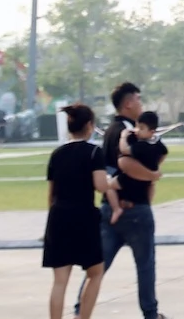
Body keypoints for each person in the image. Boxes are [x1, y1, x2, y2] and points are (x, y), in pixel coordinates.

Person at [86, 81, 165, 319]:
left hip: (110, 208)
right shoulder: (129, 133)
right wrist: (153, 175)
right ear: (129, 103)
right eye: (138, 99)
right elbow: (126, 165)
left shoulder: (111, 130)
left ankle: (81, 310)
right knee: (145, 266)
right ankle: (150, 314)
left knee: (98, 267)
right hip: (135, 209)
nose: (141, 103)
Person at [44, 103, 111, 319]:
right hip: (83, 217)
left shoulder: (57, 154)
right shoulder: (94, 152)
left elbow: (51, 194)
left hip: (58, 217)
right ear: (90, 126)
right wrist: (112, 182)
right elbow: (101, 185)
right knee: (95, 272)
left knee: (60, 281)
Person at [110, 112, 167, 225]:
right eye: (137, 127)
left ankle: (116, 209)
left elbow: (124, 150)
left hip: (131, 177)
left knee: (109, 185)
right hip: (147, 179)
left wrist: (123, 137)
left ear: (151, 132)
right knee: (151, 185)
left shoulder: (142, 145)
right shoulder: (157, 143)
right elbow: (165, 153)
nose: (137, 131)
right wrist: (156, 165)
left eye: (141, 128)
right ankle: (147, 204)